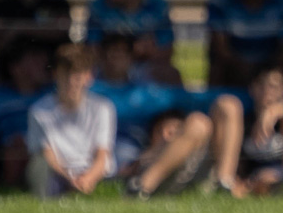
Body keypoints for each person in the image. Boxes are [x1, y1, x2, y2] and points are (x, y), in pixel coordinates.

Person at [91, 35, 213, 198]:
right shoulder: (87, 93)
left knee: (199, 123)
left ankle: (141, 188)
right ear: (102, 57)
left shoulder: (148, 93)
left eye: (122, 53)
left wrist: (169, 125)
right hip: (99, 166)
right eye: (111, 53)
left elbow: (173, 116)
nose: (116, 59)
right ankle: (139, 189)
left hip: (145, 162)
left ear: (131, 58)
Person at [210, 65, 283, 197]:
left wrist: (273, 112)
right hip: (249, 179)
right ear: (252, 88)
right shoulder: (245, 117)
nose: (267, 91)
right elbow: (222, 104)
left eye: (274, 86)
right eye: (261, 85)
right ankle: (225, 183)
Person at [25, 44, 115, 198]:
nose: (72, 82)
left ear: (89, 77)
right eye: (66, 75)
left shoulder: (103, 108)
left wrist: (88, 179)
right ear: (55, 74)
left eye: (77, 75)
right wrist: (71, 180)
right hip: (58, 176)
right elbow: (47, 155)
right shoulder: (39, 111)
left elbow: (102, 154)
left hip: (95, 176)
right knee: (37, 166)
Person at [85, 0, 180, 84]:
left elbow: (167, 50)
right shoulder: (98, 7)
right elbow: (91, 48)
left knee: (171, 74)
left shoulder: (157, 6)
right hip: (107, 66)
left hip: (146, 66)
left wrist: (140, 52)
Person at [0, 44, 54, 187]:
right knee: (15, 146)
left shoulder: (52, 96)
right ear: (15, 68)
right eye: (35, 60)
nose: (44, 64)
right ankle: (8, 189)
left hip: (48, 150)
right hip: (7, 155)